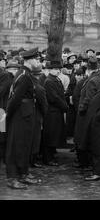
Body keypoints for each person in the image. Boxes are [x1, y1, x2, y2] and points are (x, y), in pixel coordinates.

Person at [5, 48, 40, 189]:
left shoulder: (26, 73)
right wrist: (8, 115)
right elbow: (15, 99)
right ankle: (13, 178)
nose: (38, 62)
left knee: (24, 145)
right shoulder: (24, 75)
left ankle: (23, 174)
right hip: (20, 115)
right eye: (36, 59)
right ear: (30, 60)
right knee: (15, 146)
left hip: (25, 114)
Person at [42, 60, 68, 166]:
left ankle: (51, 155)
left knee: (54, 135)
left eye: (58, 69)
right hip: (52, 113)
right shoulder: (49, 81)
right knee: (50, 136)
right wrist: (65, 106)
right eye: (55, 69)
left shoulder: (55, 79)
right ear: (50, 70)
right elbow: (54, 98)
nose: (58, 71)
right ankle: (48, 158)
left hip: (56, 112)